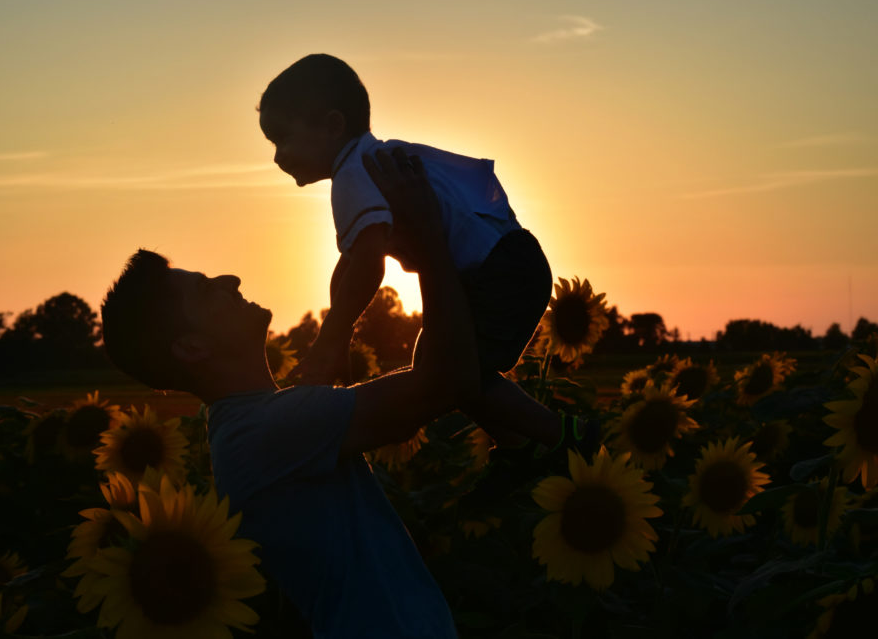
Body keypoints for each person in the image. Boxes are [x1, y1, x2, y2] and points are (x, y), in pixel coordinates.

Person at [101, 149, 476, 638]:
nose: (229, 279)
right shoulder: (267, 430)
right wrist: (429, 240)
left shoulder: (251, 429)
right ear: (192, 346)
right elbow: (447, 381)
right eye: (205, 288)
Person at [258, 52, 596, 451]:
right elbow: (351, 262)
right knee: (447, 371)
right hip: (508, 263)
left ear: (333, 125)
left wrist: (331, 339)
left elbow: (368, 266)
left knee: (447, 375)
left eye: (284, 138)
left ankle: (562, 437)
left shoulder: (354, 176)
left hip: (498, 273)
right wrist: (337, 331)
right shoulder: (372, 162)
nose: (278, 156)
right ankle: (520, 448)